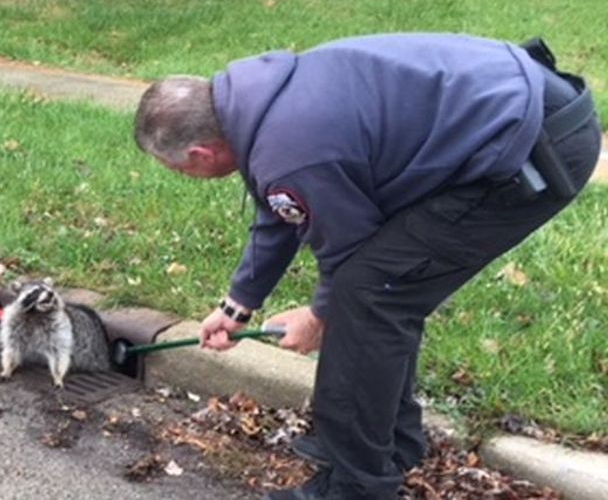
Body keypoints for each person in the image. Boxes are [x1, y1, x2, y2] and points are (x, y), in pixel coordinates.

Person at [133, 33, 600, 500]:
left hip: (531, 149)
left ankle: (357, 485)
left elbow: (352, 255)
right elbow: (280, 212)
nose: (186, 177)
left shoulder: (292, 148)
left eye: (180, 171)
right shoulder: (258, 104)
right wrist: (238, 306)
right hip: (521, 113)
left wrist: (320, 317)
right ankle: (392, 443)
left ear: (200, 154)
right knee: (378, 290)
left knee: (368, 294)